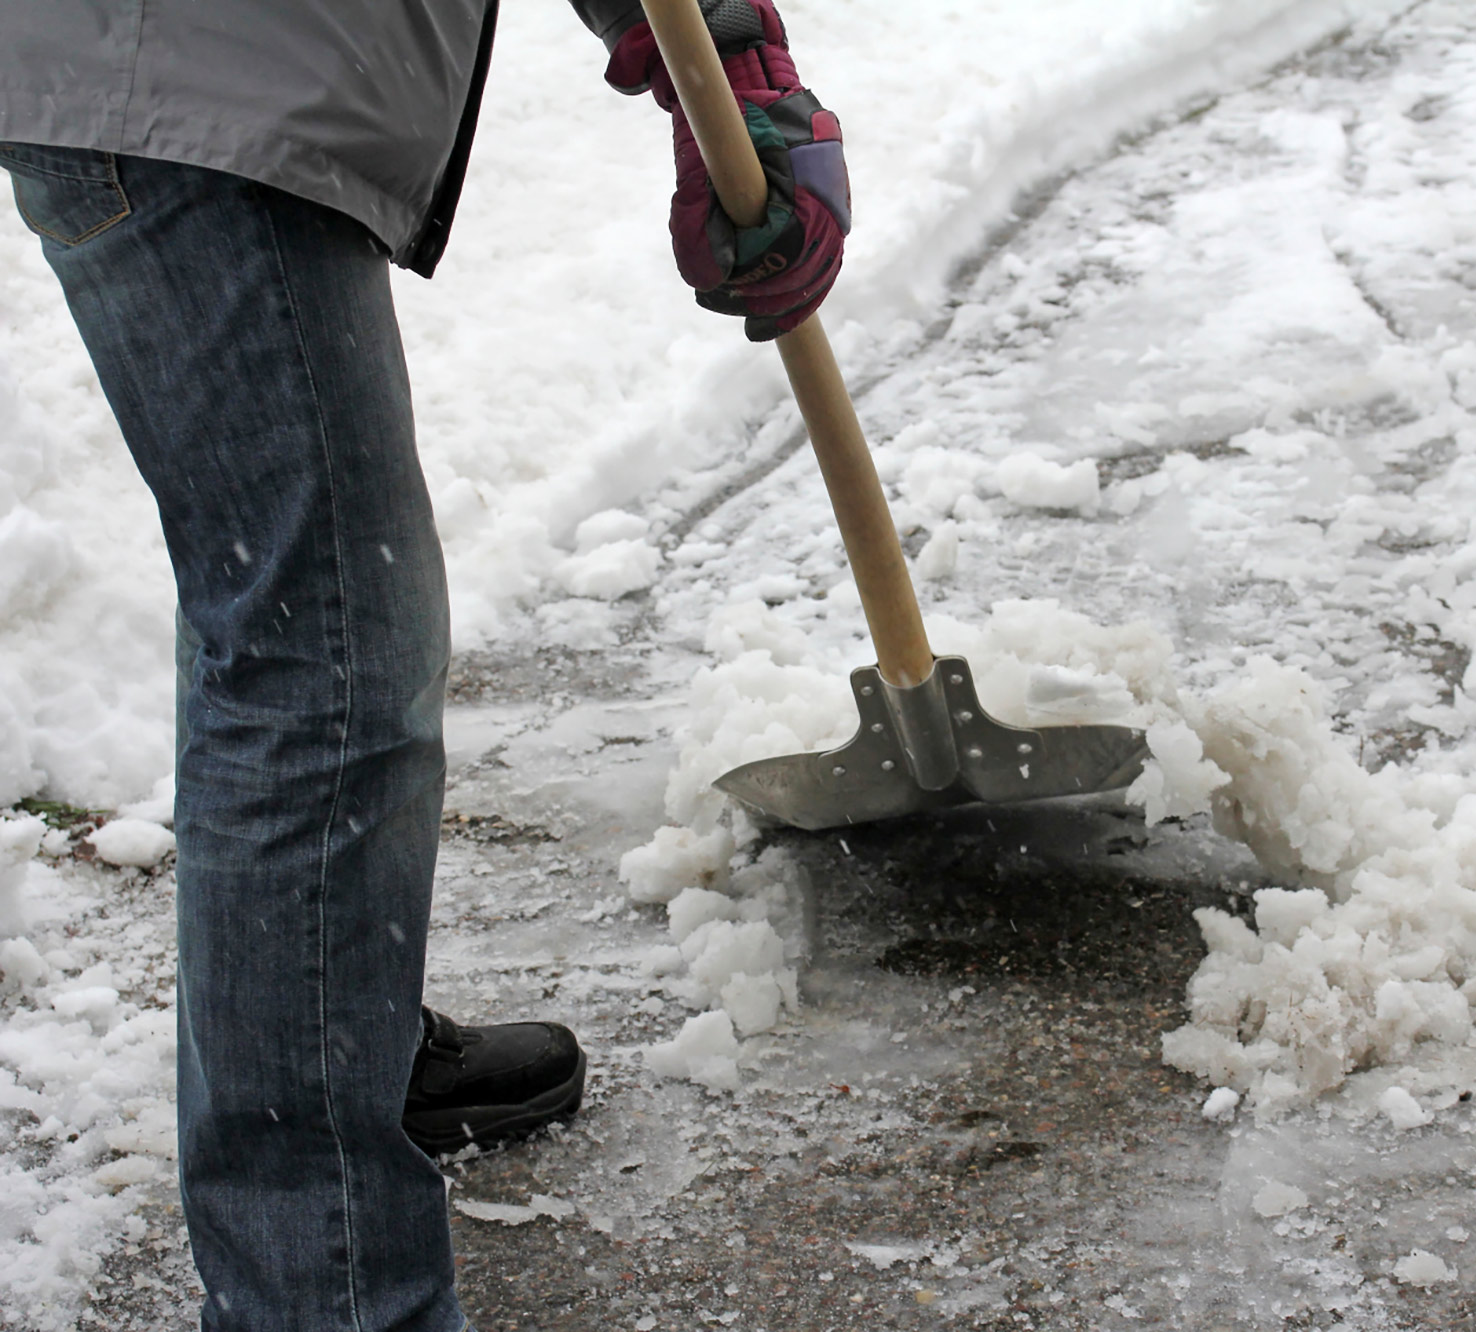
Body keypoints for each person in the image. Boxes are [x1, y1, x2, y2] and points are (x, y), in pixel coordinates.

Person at [0, 0, 848, 1326]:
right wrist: (736, 61)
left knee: (289, 626)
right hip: (186, 69)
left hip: (173, 66)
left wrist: (722, 68)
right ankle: (321, 1290)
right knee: (316, 659)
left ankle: (333, 1047)